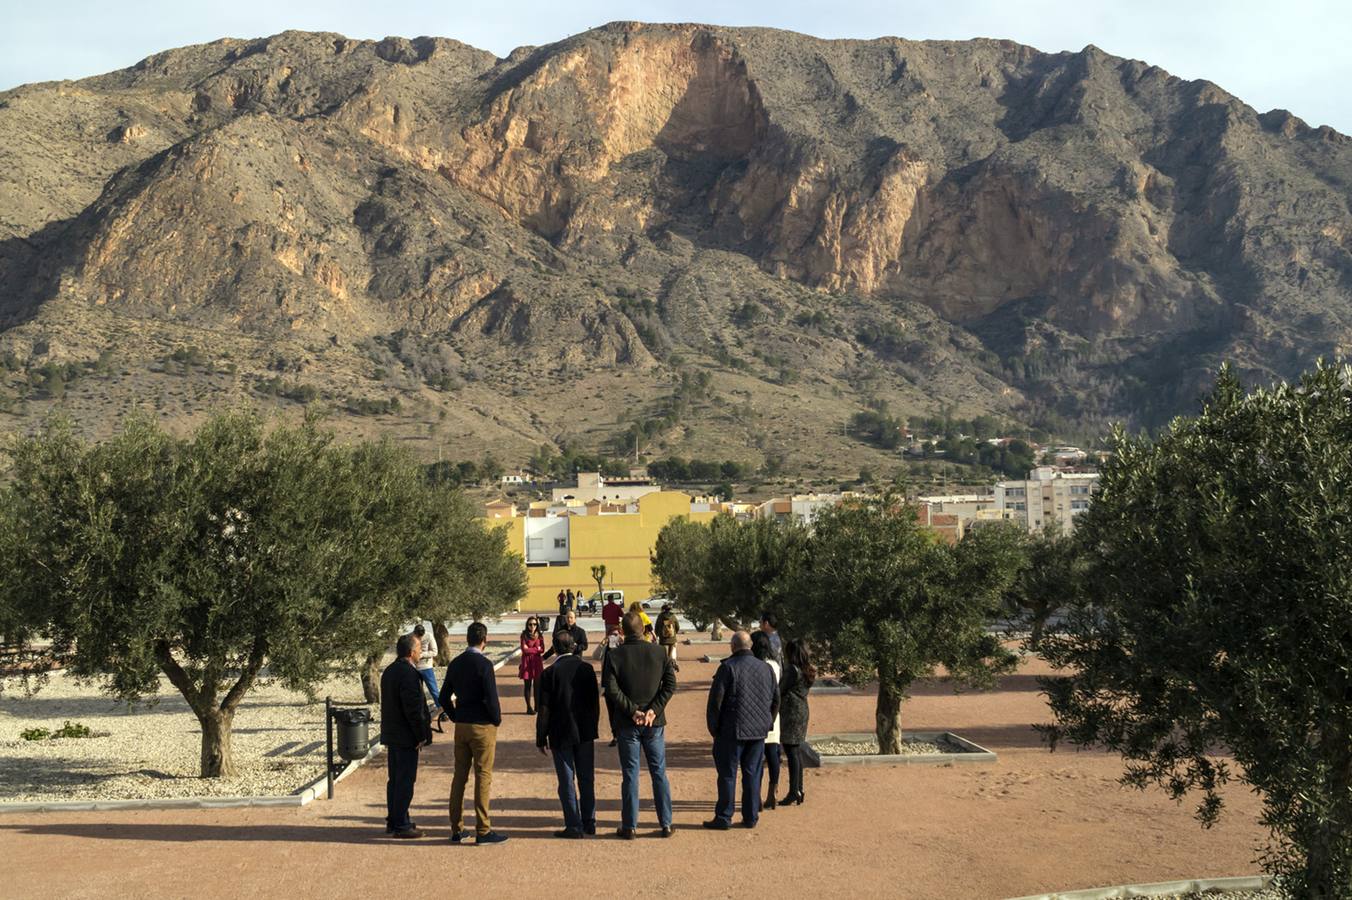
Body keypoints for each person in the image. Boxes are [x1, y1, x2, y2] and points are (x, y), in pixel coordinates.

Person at [602, 610, 676, 839]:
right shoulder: (659, 651)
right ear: (643, 630)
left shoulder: (615, 655)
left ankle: (630, 826)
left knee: (630, 774)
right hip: (654, 722)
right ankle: (666, 824)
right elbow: (670, 685)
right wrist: (654, 709)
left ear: (622, 631)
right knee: (659, 772)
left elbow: (611, 689)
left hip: (628, 722)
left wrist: (632, 710)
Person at [704, 630, 778, 830]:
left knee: (727, 774)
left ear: (733, 646)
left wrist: (714, 728)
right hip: (758, 731)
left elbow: (715, 702)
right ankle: (751, 816)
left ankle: (724, 816)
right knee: (752, 773)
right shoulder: (766, 668)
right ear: (750, 646)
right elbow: (775, 699)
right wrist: (768, 722)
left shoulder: (728, 667)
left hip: (731, 730)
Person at [442, 622, 508, 845]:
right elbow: (491, 697)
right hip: (482, 726)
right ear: (484, 640)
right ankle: (483, 829)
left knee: (459, 776)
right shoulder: (484, 664)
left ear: (467, 639)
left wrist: (455, 716)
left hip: (462, 725)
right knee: (483, 776)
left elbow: (443, 697)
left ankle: (457, 828)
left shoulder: (456, 663)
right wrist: (496, 719)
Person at [536, 630, 600, 838]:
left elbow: (544, 709)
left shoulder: (549, 673)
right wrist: (592, 726)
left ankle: (573, 825)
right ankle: (589, 821)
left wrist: (541, 737)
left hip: (560, 731)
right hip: (585, 731)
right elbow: (595, 703)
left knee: (566, 780)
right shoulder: (586, 669)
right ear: (573, 646)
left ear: (555, 648)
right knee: (586, 778)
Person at [380, 632, 432, 838]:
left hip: (392, 734)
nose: (421, 652)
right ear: (411, 652)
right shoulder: (409, 674)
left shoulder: (390, 671)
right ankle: (401, 824)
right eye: (419, 649)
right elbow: (413, 710)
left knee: (394, 780)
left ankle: (394, 820)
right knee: (404, 781)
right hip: (405, 736)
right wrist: (421, 735)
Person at [778, 639, 814, 806]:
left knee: (791, 751)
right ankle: (798, 789)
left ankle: (794, 791)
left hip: (791, 712)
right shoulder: (807, 669)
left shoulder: (792, 670)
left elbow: (780, 689)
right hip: (801, 710)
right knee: (796, 751)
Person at [750, 631, 782, 810]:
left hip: (757, 714)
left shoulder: (756, 665)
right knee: (773, 754)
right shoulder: (774, 665)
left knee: (757, 758)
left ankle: (756, 795)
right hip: (773, 714)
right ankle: (773, 792)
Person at [519, 616, 545, 716]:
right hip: (527, 662)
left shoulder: (540, 635)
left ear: (537, 625)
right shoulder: (524, 635)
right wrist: (536, 649)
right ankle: (529, 707)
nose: (532, 626)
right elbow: (524, 650)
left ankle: (537, 706)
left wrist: (530, 649)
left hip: (537, 662)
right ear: (527, 625)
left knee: (537, 686)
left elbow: (542, 649)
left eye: (534, 624)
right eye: (530, 624)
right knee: (528, 686)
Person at [411, 624, 439, 711]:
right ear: (414, 632)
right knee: (417, 692)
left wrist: (422, 655)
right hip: (414, 668)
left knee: (433, 690)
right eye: (418, 636)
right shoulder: (410, 637)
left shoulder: (429, 636)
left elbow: (435, 652)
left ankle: (441, 709)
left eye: (421, 636)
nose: (420, 637)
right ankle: (420, 711)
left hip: (426, 667)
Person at [655, 604, 681, 671]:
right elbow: (677, 626)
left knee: (662, 653)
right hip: (672, 638)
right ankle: (670, 666)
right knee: (670, 654)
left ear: (663, 609)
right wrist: (675, 632)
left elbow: (657, 626)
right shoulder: (673, 616)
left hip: (662, 638)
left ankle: (663, 666)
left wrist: (657, 634)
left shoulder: (660, 616)